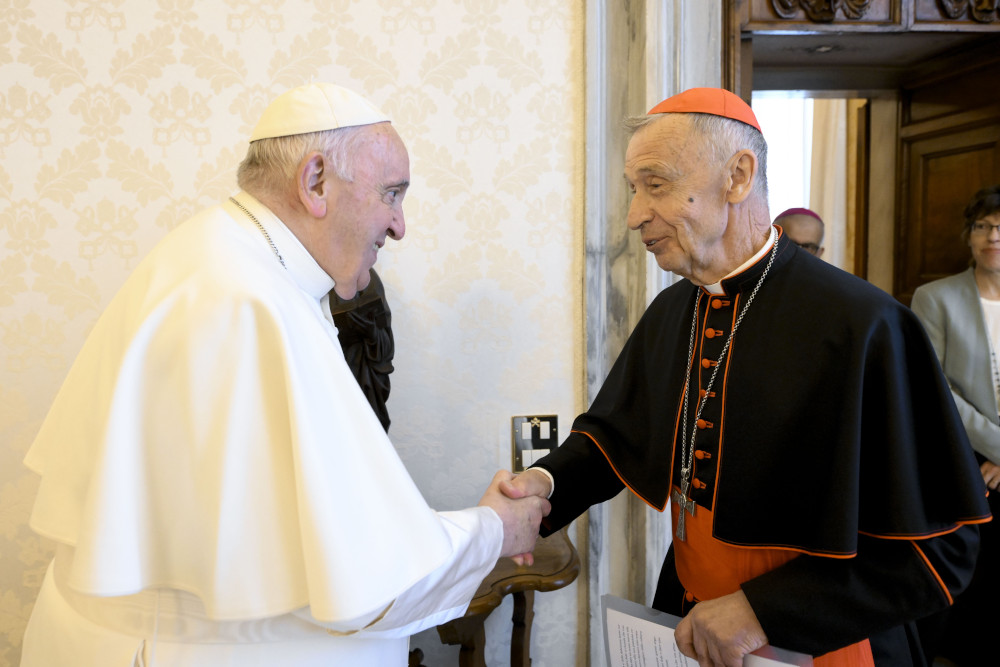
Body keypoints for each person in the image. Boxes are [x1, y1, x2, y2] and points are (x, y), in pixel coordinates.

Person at [19, 83, 550, 666]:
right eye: (391, 195)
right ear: (315, 180)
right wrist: (496, 531)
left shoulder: (224, 256)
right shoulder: (248, 300)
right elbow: (370, 582)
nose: (400, 226)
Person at [502, 87, 989, 666]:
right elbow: (613, 439)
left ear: (737, 177)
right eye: (634, 190)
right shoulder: (673, 310)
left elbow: (942, 550)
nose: (634, 216)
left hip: (826, 638)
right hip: (693, 620)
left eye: (654, 185)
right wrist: (544, 486)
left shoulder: (864, 325)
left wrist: (764, 609)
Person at [911, 184, 1000, 667]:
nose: (993, 236)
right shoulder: (936, 297)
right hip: (963, 464)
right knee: (961, 583)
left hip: (997, 462)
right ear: (969, 235)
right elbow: (935, 389)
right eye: (983, 226)